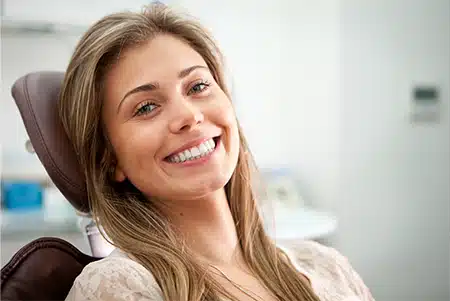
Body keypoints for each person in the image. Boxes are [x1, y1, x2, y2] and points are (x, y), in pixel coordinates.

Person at [61, 3, 374, 301]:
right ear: (109, 158)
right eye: (146, 107)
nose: (189, 116)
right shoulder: (117, 286)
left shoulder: (327, 267)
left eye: (197, 87)